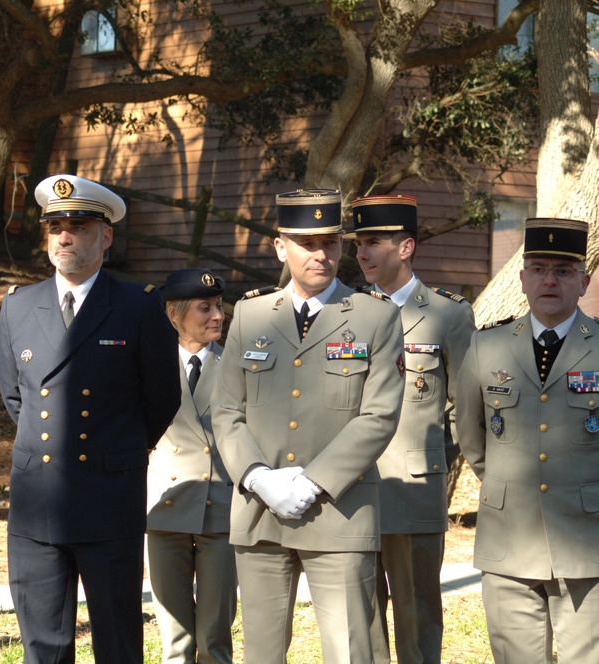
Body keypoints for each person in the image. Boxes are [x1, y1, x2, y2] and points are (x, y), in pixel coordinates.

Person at [211, 188, 405, 663]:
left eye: (331, 243)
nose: (320, 254)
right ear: (281, 247)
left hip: (339, 511)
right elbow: (226, 411)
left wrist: (314, 482)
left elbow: (379, 416)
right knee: (261, 651)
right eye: (305, 243)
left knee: (351, 649)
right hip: (261, 512)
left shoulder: (375, 317)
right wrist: (258, 478)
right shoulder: (251, 314)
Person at [0, 174, 181, 663]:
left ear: (106, 235)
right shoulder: (17, 306)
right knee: (44, 644)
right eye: (55, 226)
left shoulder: (139, 306)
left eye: (77, 225)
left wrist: (116, 449)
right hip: (38, 501)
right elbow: (17, 397)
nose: (64, 236)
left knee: (117, 640)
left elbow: (161, 398)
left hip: (109, 496)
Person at [456, 217, 599, 663]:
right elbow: (471, 434)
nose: (549, 280)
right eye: (538, 268)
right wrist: (507, 483)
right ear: (521, 279)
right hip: (508, 541)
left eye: (562, 270)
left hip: (586, 543)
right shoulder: (486, 347)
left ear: (584, 280)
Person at [350, 195, 475, 664]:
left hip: (414, 487)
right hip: (353, 485)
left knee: (416, 612)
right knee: (360, 612)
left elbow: (468, 408)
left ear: (405, 247)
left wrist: (434, 458)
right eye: (359, 243)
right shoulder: (347, 312)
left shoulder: (448, 314)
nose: (362, 253)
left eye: (373, 242)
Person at [146, 268, 237, 664]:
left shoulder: (241, 365)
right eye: (205, 308)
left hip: (222, 510)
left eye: (218, 306)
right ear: (173, 315)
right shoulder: (147, 366)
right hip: (165, 510)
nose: (218, 315)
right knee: (175, 641)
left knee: (215, 639)